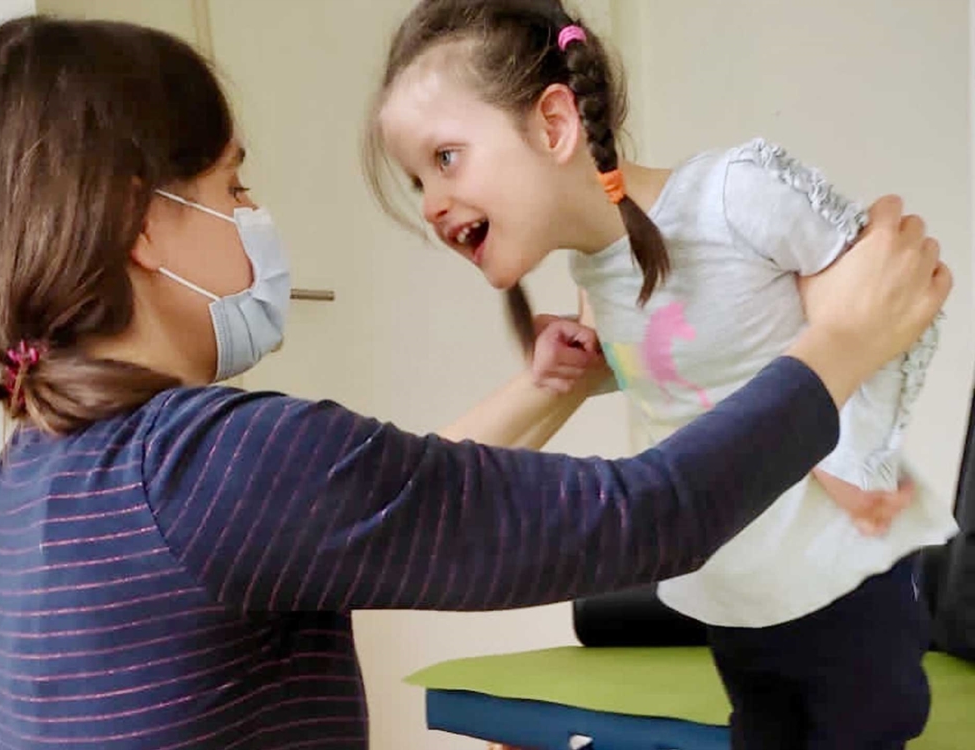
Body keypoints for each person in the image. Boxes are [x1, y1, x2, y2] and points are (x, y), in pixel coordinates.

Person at [0, 15, 948, 750]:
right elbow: (649, 515)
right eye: (233, 187)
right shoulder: (213, 464)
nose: (254, 213)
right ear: (142, 224)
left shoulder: (16, 492)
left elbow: (387, 498)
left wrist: (549, 387)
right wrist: (847, 339)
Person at [368, 1, 957, 747]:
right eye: (416, 181)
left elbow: (898, 312)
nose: (431, 205)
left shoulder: (734, 195)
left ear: (554, 124)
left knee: (868, 726)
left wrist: (855, 466)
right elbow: (688, 365)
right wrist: (587, 369)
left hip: (838, 573)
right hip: (735, 586)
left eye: (445, 158)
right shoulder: (596, 275)